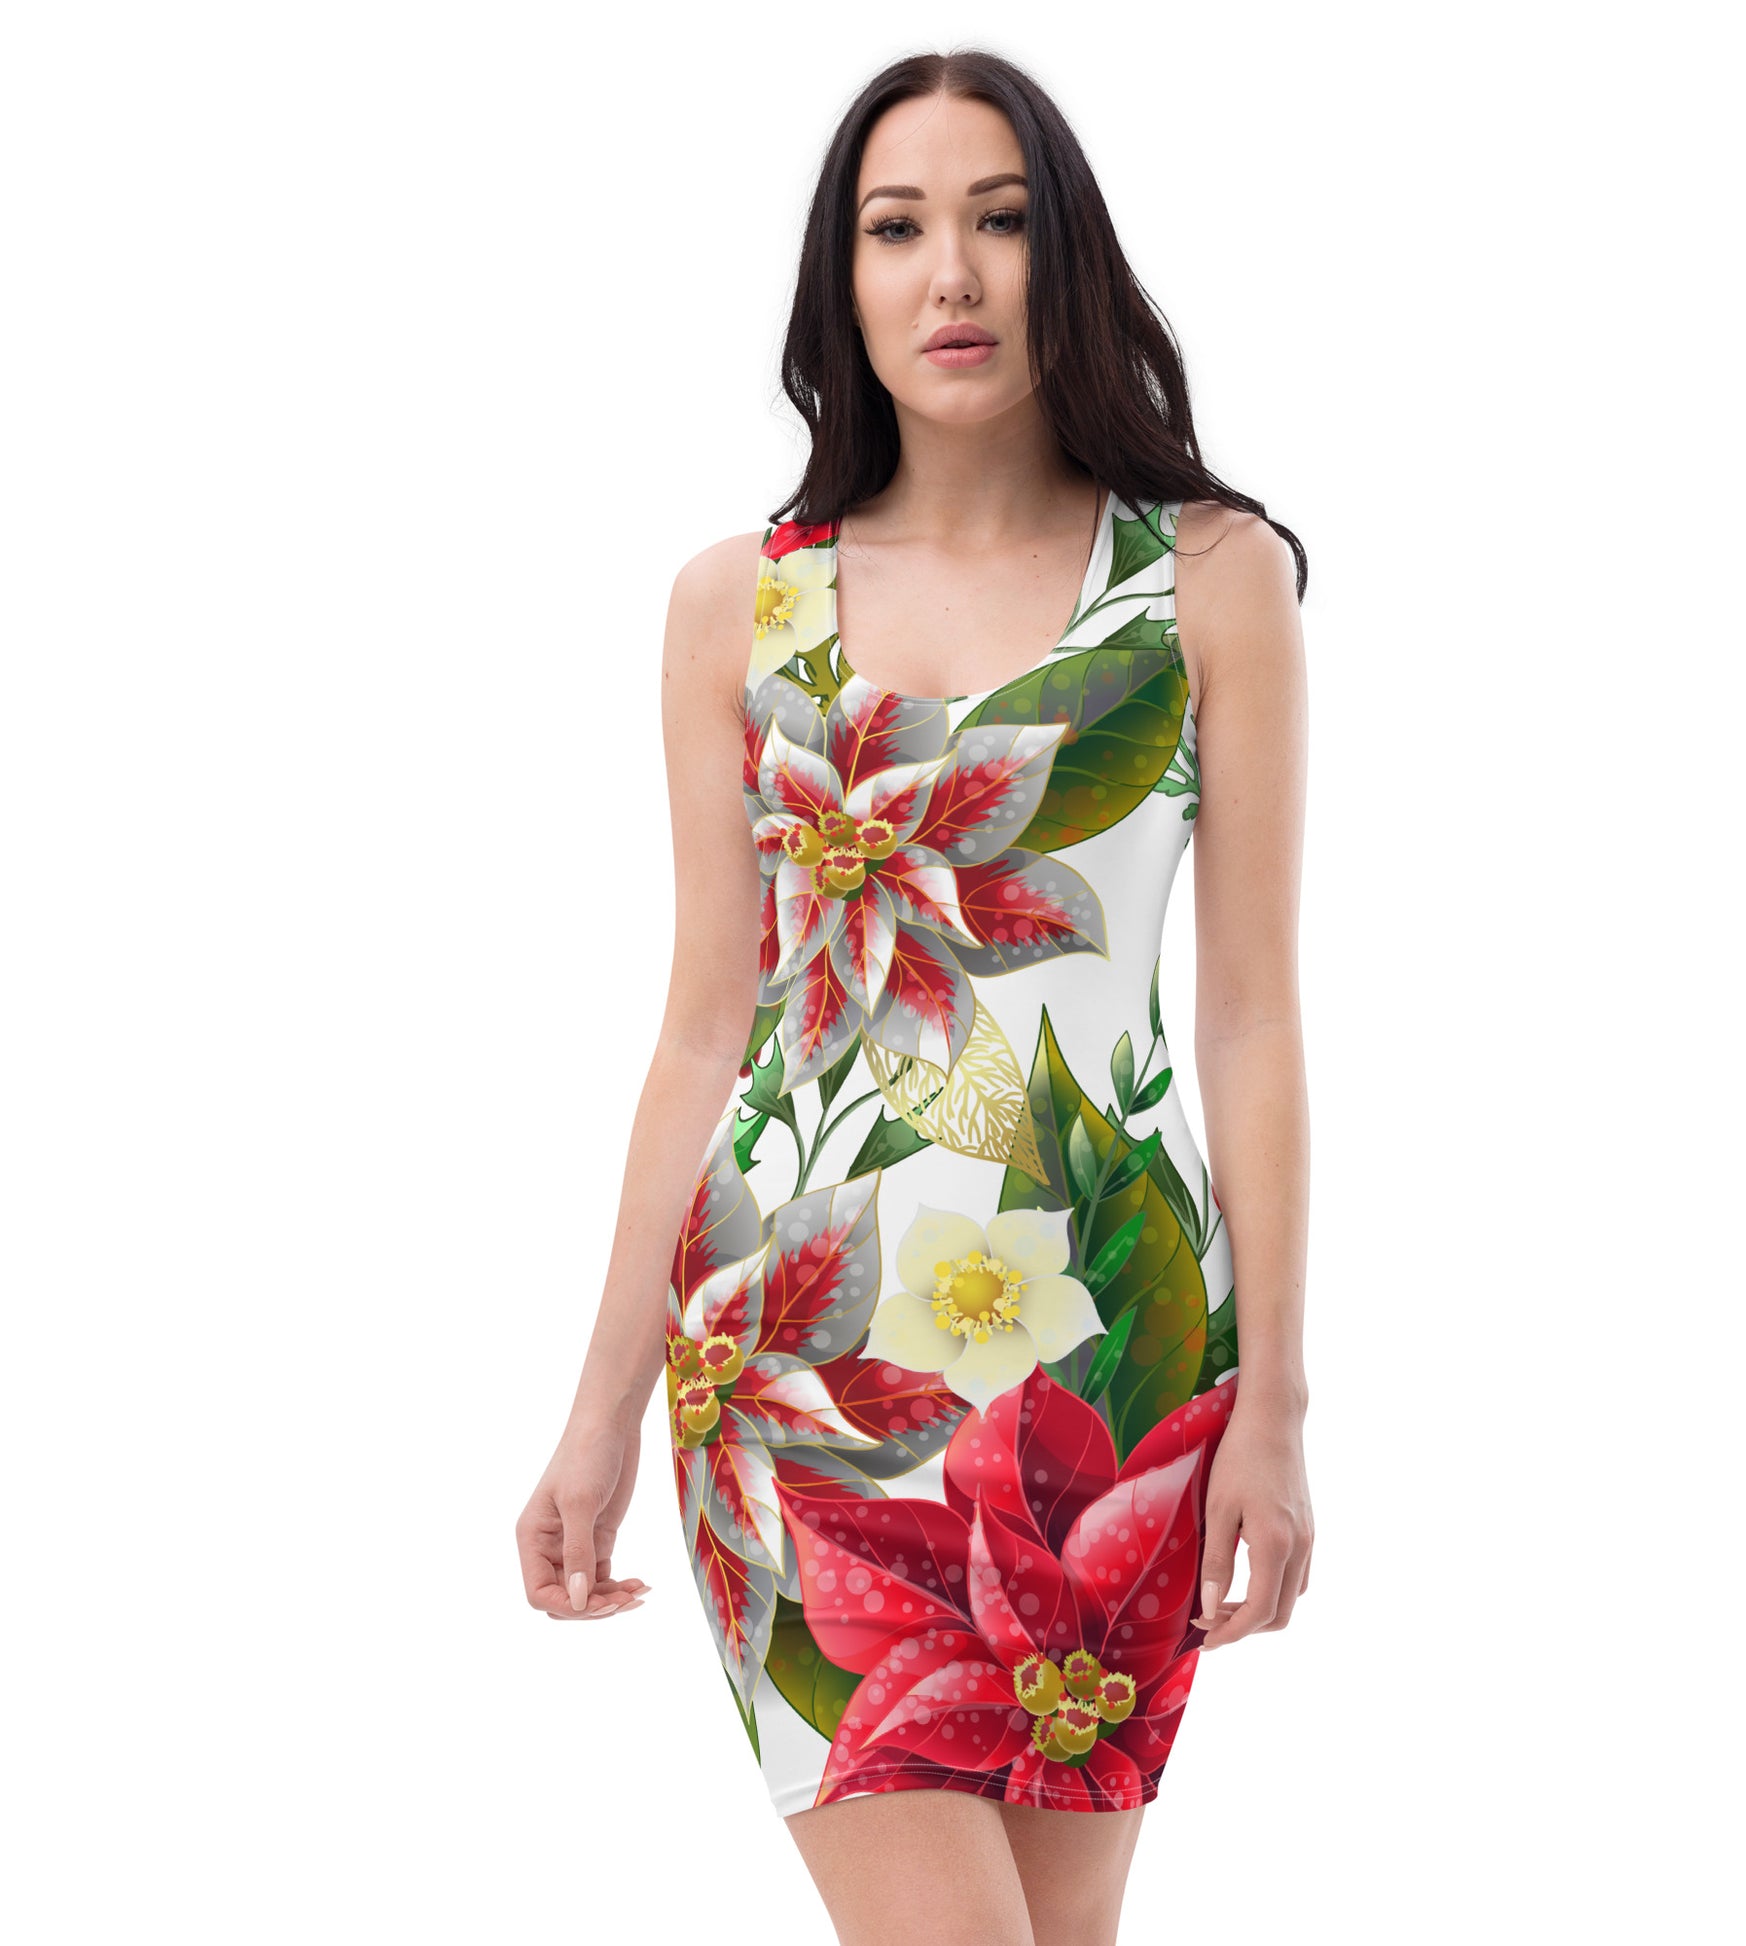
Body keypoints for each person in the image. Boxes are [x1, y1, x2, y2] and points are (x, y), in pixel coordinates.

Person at [515, 47, 1313, 1946]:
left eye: (999, 219)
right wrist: (599, 1404)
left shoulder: (1205, 584)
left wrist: (1275, 1401)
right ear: (842, 278)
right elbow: (704, 1023)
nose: (950, 273)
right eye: (897, 228)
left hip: (1112, 1376)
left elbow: (1252, 1019)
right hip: (790, 1375)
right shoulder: (740, 604)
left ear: (1068, 256)